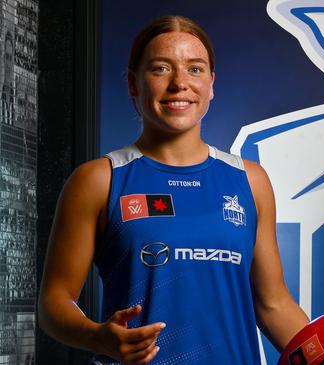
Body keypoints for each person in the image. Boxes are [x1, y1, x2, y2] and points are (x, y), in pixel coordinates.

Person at [38, 15, 308, 364]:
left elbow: (273, 304)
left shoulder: (249, 180)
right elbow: (53, 303)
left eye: (195, 69)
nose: (180, 83)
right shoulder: (99, 180)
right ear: (134, 83)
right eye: (161, 69)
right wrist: (97, 337)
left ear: (212, 84)